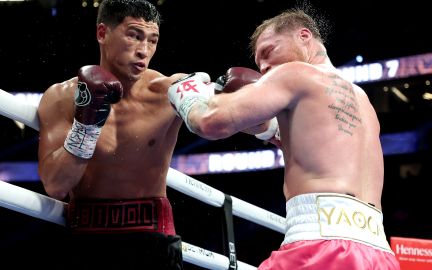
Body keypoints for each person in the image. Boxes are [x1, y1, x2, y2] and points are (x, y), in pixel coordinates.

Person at [167, 7, 400, 270]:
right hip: (380, 255)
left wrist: (189, 95)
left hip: (321, 248)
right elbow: (297, 138)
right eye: (259, 64)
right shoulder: (362, 100)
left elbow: (209, 122)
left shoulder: (294, 73)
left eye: (269, 51)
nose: (265, 67)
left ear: (304, 36)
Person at [37, 1, 185, 269]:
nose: (144, 50)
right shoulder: (61, 98)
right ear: (102, 33)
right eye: (134, 35)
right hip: (85, 240)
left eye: (153, 40)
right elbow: (55, 186)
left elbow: (223, 121)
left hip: (153, 240)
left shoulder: (170, 92)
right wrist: (87, 125)